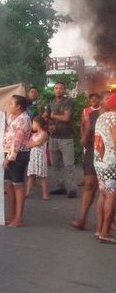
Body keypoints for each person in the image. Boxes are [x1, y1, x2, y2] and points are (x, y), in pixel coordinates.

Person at [72, 92, 104, 230]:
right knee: (90, 185)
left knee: (107, 190)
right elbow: (86, 131)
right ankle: (82, 219)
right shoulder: (90, 113)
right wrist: (84, 139)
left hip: (109, 155)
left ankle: (106, 223)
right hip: (92, 151)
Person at [43, 82, 77, 198]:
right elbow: (44, 116)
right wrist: (48, 124)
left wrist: (53, 116)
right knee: (55, 164)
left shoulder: (68, 102)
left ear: (64, 90)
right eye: (56, 88)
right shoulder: (51, 103)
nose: (58, 90)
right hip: (53, 137)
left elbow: (66, 118)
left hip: (66, 137)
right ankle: (60, 186)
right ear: (53, 91)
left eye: (61, 88)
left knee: (69, 164)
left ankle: (72, 189)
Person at [3, 95, 32, 227]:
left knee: (18, 185)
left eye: (11, 104)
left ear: (19, 106)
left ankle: (18, 217)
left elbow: (18, 141)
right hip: (8, 152)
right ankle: (11, 214)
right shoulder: (11, 118)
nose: (9, 106)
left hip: (18, 154)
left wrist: (10, 157)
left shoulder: (23, 119)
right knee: (8, 184)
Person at [93, 92, 116, 243]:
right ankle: (105, 232)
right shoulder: (115, 118)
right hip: (112, 164)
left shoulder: (102, 117)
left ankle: (99, 229)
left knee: (103, 195)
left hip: (99, 162)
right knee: (112, 197)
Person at [25, 116, 49, 199]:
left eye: (33, 123)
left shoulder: (44, 134)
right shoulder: (34, 134)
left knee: (43, 176)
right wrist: (32, 144)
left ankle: (45, 194)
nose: (32, 125)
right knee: (31, 175)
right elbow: (28, 144)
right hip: (33, 157)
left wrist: (32, 144)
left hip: (41, 157)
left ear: (37, 124)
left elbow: (38, 142)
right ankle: (27, 192)